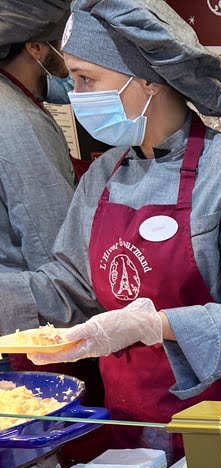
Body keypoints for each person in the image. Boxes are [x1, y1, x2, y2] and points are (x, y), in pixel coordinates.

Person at [0, 0, 221, 450]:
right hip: (137, 417)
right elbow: (70, 287)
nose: (76, 95)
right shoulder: (104, 175)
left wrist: (153, 325)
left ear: (148, 81)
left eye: (87, 79)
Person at [0, 1, 77, 373]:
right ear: (36, 47)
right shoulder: (17, 120)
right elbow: (56, 254)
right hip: (28, 339)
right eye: (64, 45)